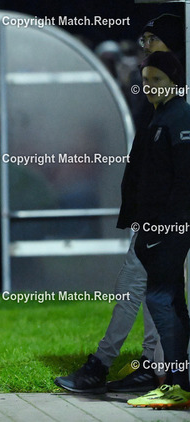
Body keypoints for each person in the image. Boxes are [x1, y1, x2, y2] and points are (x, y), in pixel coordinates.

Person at [54, 14, 184, 395]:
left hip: (163, 222)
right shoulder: (157, 94)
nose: (145, 46)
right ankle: (154, 369)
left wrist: (166, 220)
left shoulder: (177, 104)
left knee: (134, 290)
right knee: (151, 294)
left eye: (152, 39)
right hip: (154, 218)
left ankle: (101, 366)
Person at [126, 51, 190, 409]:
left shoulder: (179, 117)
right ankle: (179, 384)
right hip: (157, 227)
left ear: (175, 81)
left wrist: (169, 224)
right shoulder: (160, 116)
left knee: (160, 298)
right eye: (146, 80)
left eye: (158, 80)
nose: (149, 86)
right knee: (171, 299)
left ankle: (178, 385)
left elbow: (183, 179)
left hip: (169, 227)